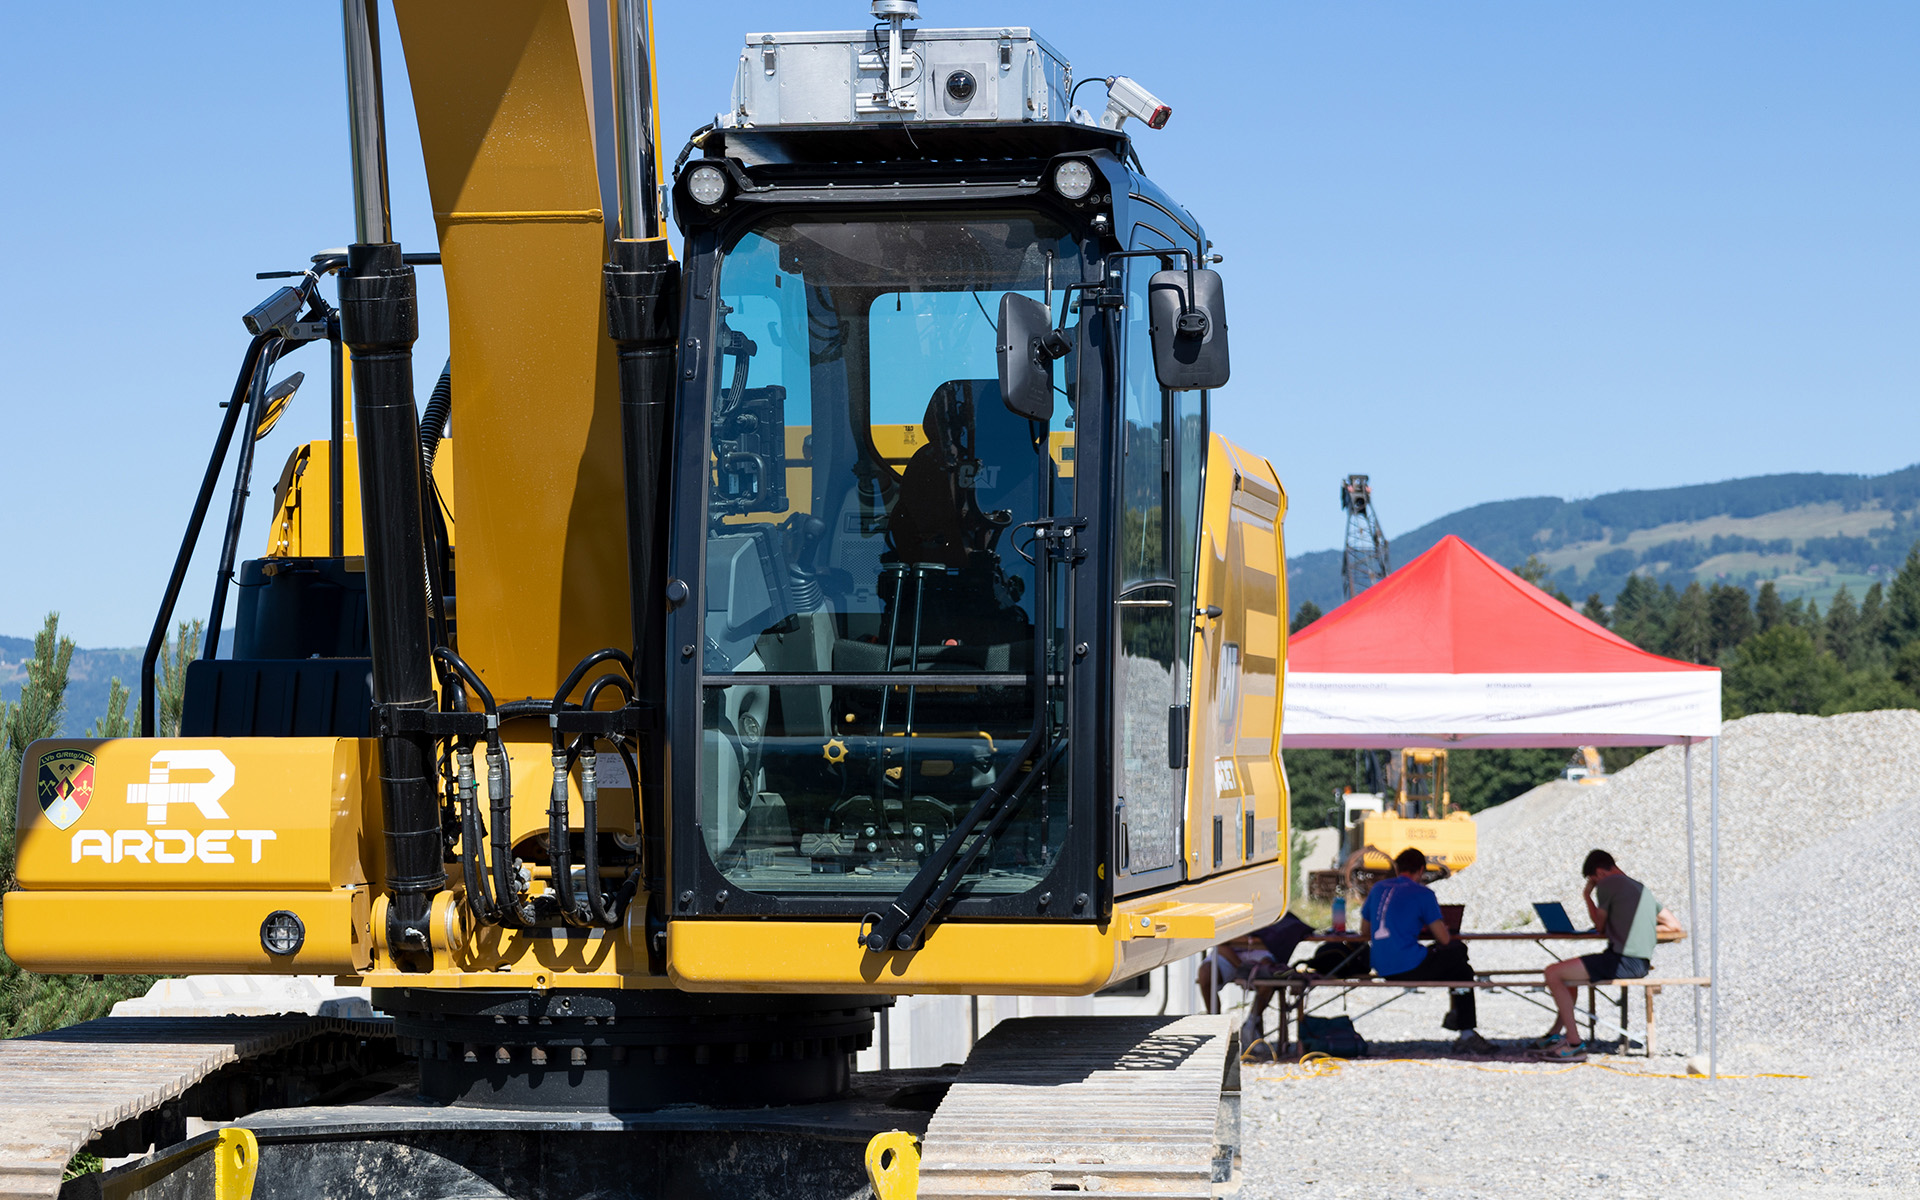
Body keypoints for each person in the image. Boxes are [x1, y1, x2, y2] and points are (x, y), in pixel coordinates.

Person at [1535, 849, 1684, 1059]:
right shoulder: (1642, 889)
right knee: (1568, 975)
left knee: (1553, 973)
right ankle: (1554, 1033)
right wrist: (1639, 928)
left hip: (1622, 960)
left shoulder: (1607, 885)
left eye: (1592, 880)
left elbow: (1600, 926)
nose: (1594, 884)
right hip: (1640, 963)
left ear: (1599, 873)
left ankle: (1575, 1042)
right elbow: (1674, 925)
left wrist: (1587, 896)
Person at [1358, 846, 1495, 1055]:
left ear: (1397, 867)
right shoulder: (1423, 893)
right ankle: (1465, 1029)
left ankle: (1457, 1014)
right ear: (1421, 870)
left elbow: (1365, 932)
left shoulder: (1378, 889)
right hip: (1408, 966)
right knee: (1460, 960)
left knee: (1457, 965)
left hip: (1380, 965)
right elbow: (1444, 938)